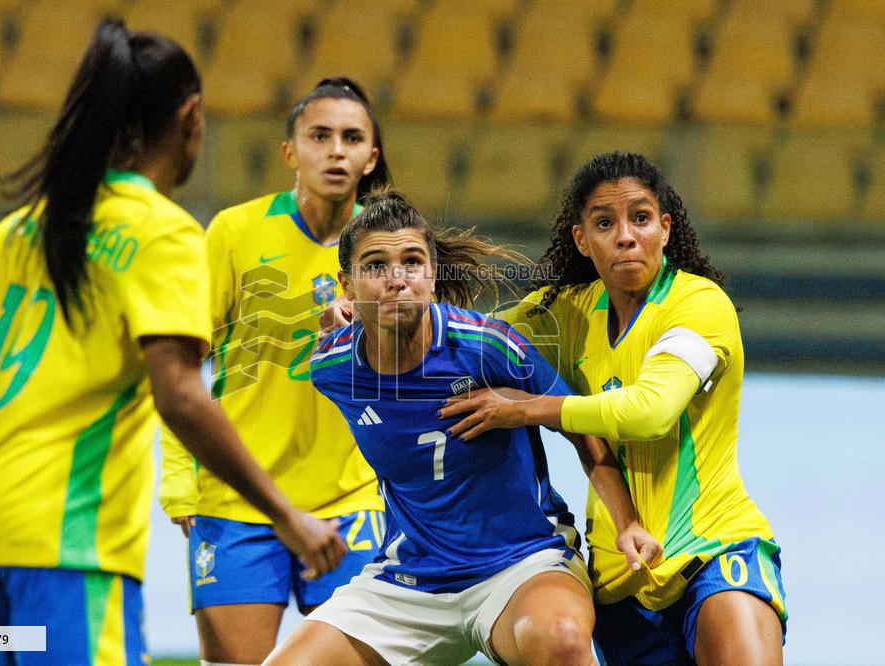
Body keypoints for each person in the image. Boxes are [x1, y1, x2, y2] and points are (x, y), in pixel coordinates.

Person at [0, 21, 343, 666]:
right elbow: (181, 396)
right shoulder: (162, 233)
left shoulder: (31, 223)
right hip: (65, 541)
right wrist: (286, 514)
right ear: (190, 117)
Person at [267, 187, 661, 665]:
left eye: (412, 262)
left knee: (560, 638)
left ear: (432, 276)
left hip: (523, 565)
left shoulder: (486, 346)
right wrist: (338, 322)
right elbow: (330, 340)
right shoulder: (332, 368)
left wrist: (627, 523)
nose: (397, 279)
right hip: (409, 578)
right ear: (346, 285)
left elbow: (582, 427)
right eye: (374, 267)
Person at [441, 152, 787, 665]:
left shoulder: (699, 305)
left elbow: (651, 411)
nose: (626, 236)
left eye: (641, 219)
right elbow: (465, 340)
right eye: (605, 223)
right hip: (619, 579)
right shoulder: (568, 313)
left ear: (665, 229)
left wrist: (529, 408)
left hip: (715, 552)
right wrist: (363, 315)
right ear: (583, 240)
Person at [158, 77, 390, 664]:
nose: (336, 150)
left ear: (371, 158)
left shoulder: (388, 246)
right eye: (320, 136)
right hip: (238, 500)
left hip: (352, 499)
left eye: (351, 138)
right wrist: (182, 477)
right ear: (290, 151)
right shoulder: (234, 233)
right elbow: (179, 367)